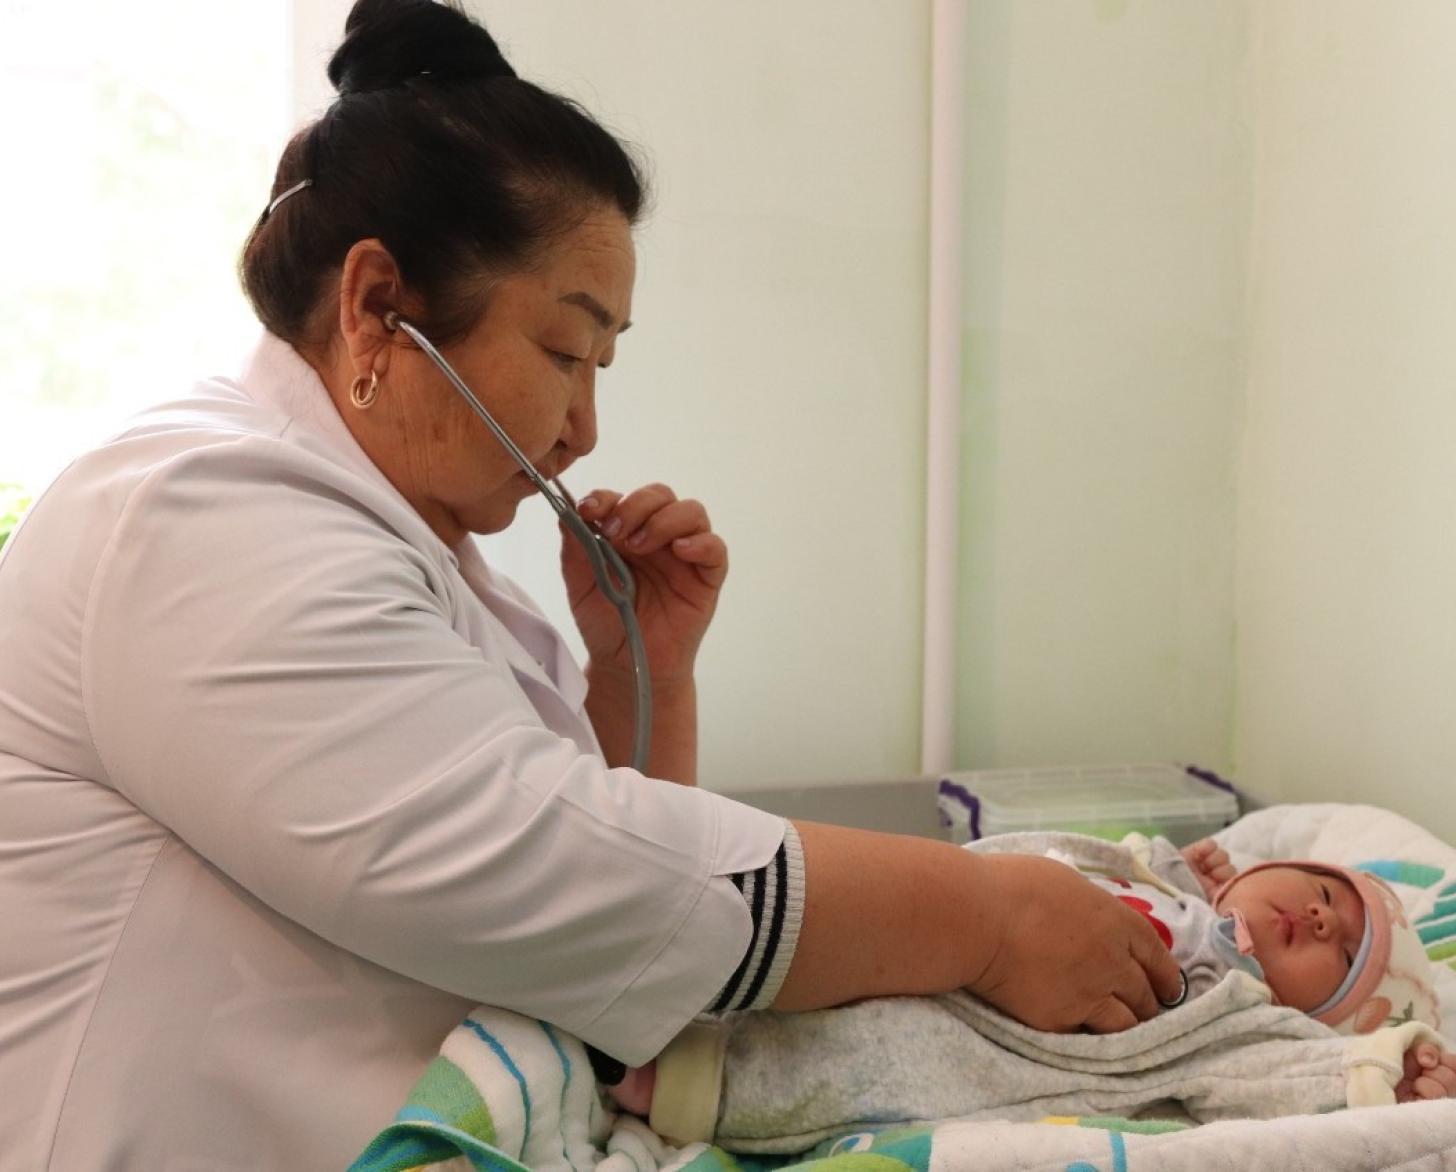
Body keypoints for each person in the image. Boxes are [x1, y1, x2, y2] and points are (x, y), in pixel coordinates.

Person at [0, 2, 1181, 1166]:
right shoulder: (199, 516)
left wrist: (640, 666)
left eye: (601, 365)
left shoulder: (407, 551)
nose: (584, 429)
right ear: (374, 306)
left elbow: (609, 929)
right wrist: (986, 917)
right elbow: (562, 874)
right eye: (565, 353)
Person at [602, 833, 1453, 1149]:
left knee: (886, 1053)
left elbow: (1284, 1071)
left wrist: (1385, 1066)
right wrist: (1175, 868)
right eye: (1327, 895)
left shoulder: (1241, 1012)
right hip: (971, 930)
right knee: (860, 935)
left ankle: (687, 1080)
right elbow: (1082, 860)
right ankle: (692, 967)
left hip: (1009, 1034)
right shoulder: (1162, 871)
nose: (1318, 916)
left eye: (1340, 951)